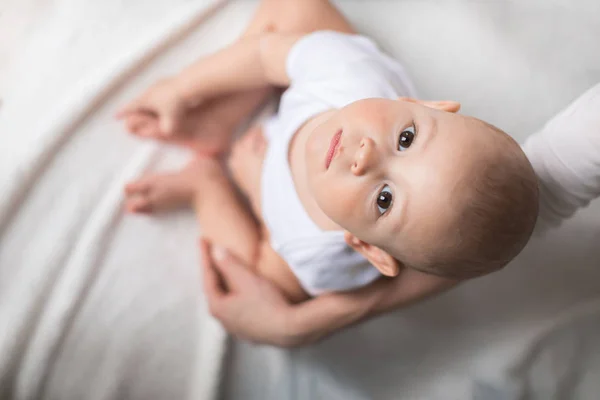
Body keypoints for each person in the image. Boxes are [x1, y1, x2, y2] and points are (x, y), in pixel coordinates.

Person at [118, 0, 537, 321]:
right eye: (406, 138)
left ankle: (204, 185)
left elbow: (278, 240)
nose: (366, 156)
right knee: (299, 10)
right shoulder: (350, 76)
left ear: (365, 246)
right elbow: (266, 54)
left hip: (270, 191)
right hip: (312, 87)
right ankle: (225, 115)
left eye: (385, 199)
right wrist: (183, 88)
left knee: (267, 285)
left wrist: (256, 189)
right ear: (422, 104)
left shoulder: (319, 251)